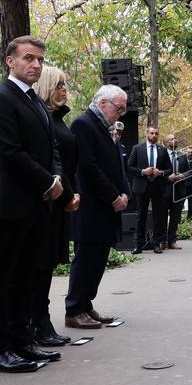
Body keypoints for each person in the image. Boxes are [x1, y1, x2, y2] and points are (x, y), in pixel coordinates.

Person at [0, 35, 64, 373]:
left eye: (40, 60)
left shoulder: (36, 102)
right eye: (29, 58)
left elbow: (51, 148)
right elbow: (9, 153)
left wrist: (56, 178)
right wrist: (48, 181)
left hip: (38, 204)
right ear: (10, 61)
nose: (36, 65)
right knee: (0, 279)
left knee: (25, 278)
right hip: (12, 205)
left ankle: (22, 343)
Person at [65, 85, 130, 329]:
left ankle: (86, 304)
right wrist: (113, 196)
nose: (120, 114)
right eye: (118, 108)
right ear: (103, 103)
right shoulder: (84, 124)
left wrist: (124, 193)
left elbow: (117, 164)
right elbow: (88, 167)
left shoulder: (104, 127)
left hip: (106, 206)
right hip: (92, 206)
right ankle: (74, 308)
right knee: (87, 259)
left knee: (99, 258)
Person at [30, 65, 80, 346]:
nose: (63, 90)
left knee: (46, 265)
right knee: (38, 265)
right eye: (59, 84)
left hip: (62, 200)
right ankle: (37, 323)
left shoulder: (58, 119)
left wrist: (73, 193)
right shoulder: (45, 118)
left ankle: (42, 322)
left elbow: (68, 163)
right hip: (48, 200)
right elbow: (53, 162)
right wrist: (66, 193)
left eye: (65, 85)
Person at [127, 126, 171, 254]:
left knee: (158, 216)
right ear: (146, 134)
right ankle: (138, 245)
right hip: (142, 186)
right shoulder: (137, 148)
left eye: (156, 134)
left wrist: (161, 173)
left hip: (157, 187)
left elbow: (169, 169)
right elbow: (129, 167)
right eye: (152, 133)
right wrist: (142, 172)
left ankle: (157, 244)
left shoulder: (162, 150)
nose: (154, 136)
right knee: (141, 216)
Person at [164, 134, 185, 249]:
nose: (175, 140)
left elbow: (189, 171)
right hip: (164, 191)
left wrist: (183, 175)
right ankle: (161, 241)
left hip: (179, 191)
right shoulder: (161, 154)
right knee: (162, 217)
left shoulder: (182, 156)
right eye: (172, 139)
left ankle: (172, 241)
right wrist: (168, 177)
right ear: (166, 143)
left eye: (175, 138)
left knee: (175, 217)